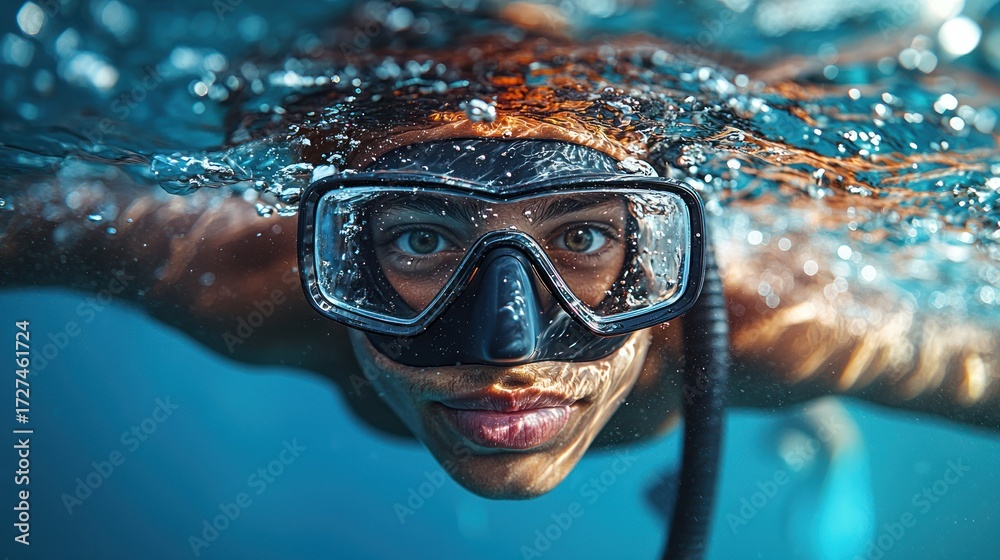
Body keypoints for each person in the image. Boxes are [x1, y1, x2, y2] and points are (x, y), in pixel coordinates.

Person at [2, 12, 998, 506]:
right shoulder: (244, 282)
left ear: (664, 248)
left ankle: (825, 432)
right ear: (334, 254)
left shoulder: (759, 326)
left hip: (732, 371)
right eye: (422, 238)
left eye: (586, 236)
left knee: (773, 376)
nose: (503, 346)